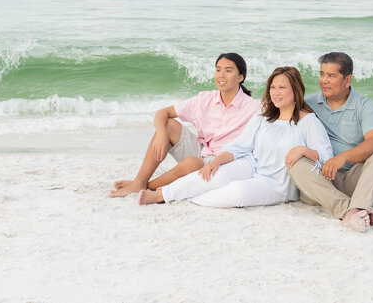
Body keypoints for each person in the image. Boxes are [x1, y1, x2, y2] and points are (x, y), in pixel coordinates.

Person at [138, 66, 333, 208]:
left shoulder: (308, 122)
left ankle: (185, 195)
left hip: (277, 184)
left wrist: (303, 150)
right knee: (214, 175)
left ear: (295, 90)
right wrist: (217, 161)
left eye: (282, 88)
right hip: (251, 165)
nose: (276, 93)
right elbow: (240, 146)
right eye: (273, 87)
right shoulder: (264, 117)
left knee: (236, 192)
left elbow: (326, 157)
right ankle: (162, 194)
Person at [109, 53, 260, 197]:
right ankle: (139, 182)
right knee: (168, 125)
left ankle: (147, 186)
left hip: (226, 162)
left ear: (240, 77)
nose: (221, 75)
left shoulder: (254, 108)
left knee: (192, 163)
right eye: (218, 69)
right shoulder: (205, 99)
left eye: (228, 71)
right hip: (203, 152)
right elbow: (162, 113)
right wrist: (162, 134)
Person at [287, 51, 373, 233]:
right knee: (296, 164)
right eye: (322, 74)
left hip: (354, 177)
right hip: (321, 178)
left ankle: (356, 207)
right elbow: (278, 116)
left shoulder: (363, 105)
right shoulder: (308, 103)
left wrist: (342, 158)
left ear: (347, 79)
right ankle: (354, 210)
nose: (324, 80)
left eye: (331, 76)